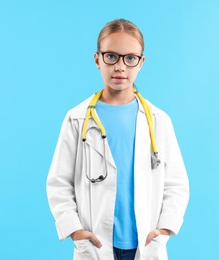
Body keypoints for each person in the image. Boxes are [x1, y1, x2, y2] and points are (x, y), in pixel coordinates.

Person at [46, 18, 189, 260]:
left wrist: (164, 230)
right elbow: (59, 183)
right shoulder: (77, 119)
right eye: (111, 56)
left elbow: (176, 184)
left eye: (130, 58)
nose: (120, 67)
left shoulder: (158, 120)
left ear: (141, 63)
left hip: (145, 244)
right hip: (96, 244)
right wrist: (75, 231)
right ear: (97, 59)